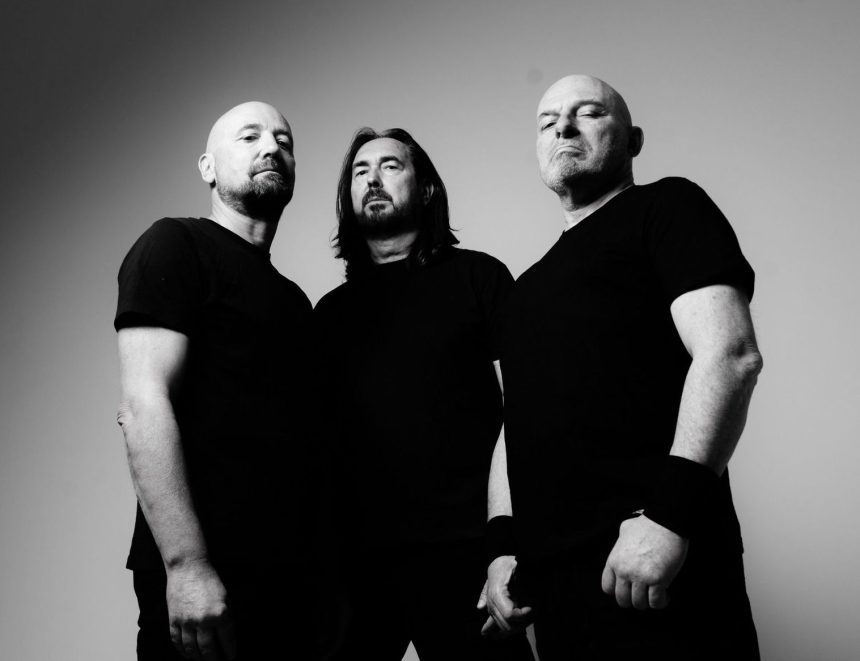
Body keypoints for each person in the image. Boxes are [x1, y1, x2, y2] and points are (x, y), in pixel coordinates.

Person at [482, 75, 763, 660]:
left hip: (656, 566)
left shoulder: (667, 208)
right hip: (554, 591)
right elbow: (516, 423)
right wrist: (503, 547)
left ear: (633, 140)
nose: (564, 126)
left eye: (589, 112)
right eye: (547, 121)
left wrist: (669, 516)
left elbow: (730, 354)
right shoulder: (523, 292)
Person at [314, 128, 534, 661]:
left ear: (426, 188)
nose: (373, 179)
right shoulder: (329, 314)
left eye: (390, 166)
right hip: (358, 567)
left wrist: (505, 545)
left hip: (467, 554)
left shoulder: (479, 278)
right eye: (360, 172)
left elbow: (526, 412)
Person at [115, 101, 318, 660]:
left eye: (283, 140)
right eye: (249, 137)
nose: (271, 147)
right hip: (209, 577)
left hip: (290, 585)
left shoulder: (295, 301)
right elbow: (143, 404)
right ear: (207, 167)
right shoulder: (175, 244)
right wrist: (187, 565)